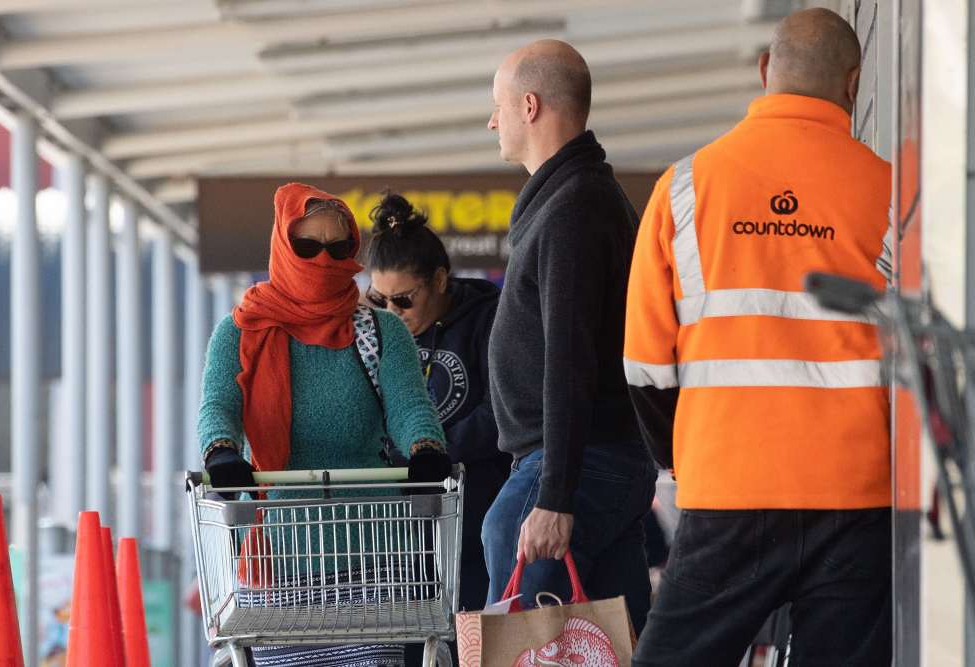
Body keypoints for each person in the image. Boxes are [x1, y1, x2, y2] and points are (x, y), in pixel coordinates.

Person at [624, 9, 892, 666]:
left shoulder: (684, 187)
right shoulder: (891, 190)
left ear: (767, 71)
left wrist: (686, 460)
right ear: (854, 85)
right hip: (857, 490)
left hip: (728, 483)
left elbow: (645, 368)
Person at [198, 183, 450, 667]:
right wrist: (222, 451)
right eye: (307, 247)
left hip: (374, 552)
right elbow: (217, 404)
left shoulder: (380, 330)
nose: (322, 261)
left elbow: (409, 404)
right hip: (278, 556)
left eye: (338, 249)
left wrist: (424, 447)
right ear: (282, 246)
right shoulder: (241, 331)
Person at [481, 39, 657, 634]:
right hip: (594, 459)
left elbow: (571, 359)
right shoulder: (571, 197)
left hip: (576, 464)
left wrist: (554, 496)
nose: (492, 121)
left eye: (498, 106)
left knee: (519, 622)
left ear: (529, 106)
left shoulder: (575, 207)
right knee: (617, 640)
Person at [366, 192, 511, 616]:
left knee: (473, 640)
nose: (392, 311)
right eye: (380, 300)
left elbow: (500, 410)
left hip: (477, 516)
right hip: (402, 530)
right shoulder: (376, 333)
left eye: (404, 299)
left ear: (441, 280)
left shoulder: (490, 320)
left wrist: (431, 452)